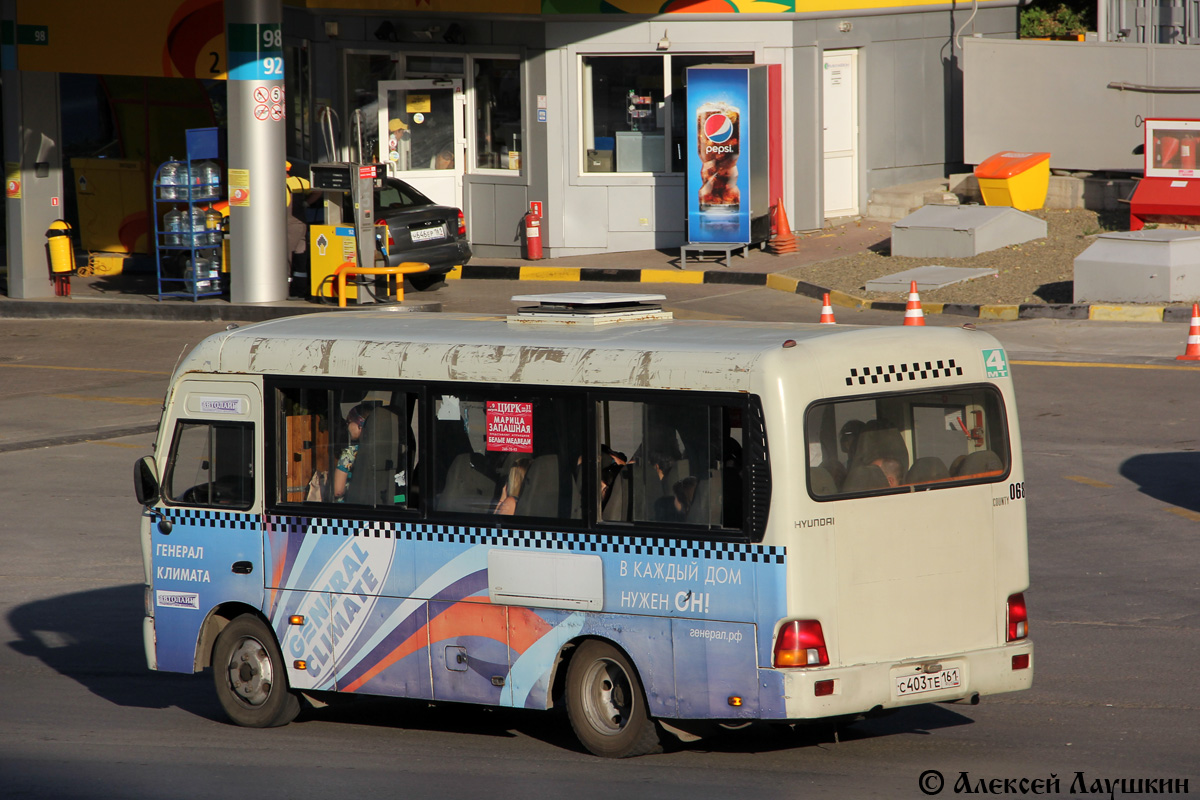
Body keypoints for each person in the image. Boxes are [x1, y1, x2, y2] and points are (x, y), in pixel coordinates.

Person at [333, 404, 372, 502]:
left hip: (350, 505)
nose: (347, 426)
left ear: (360, 426)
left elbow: (337, 490)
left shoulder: (350, 453)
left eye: (349, 422)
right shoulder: (381, 450)